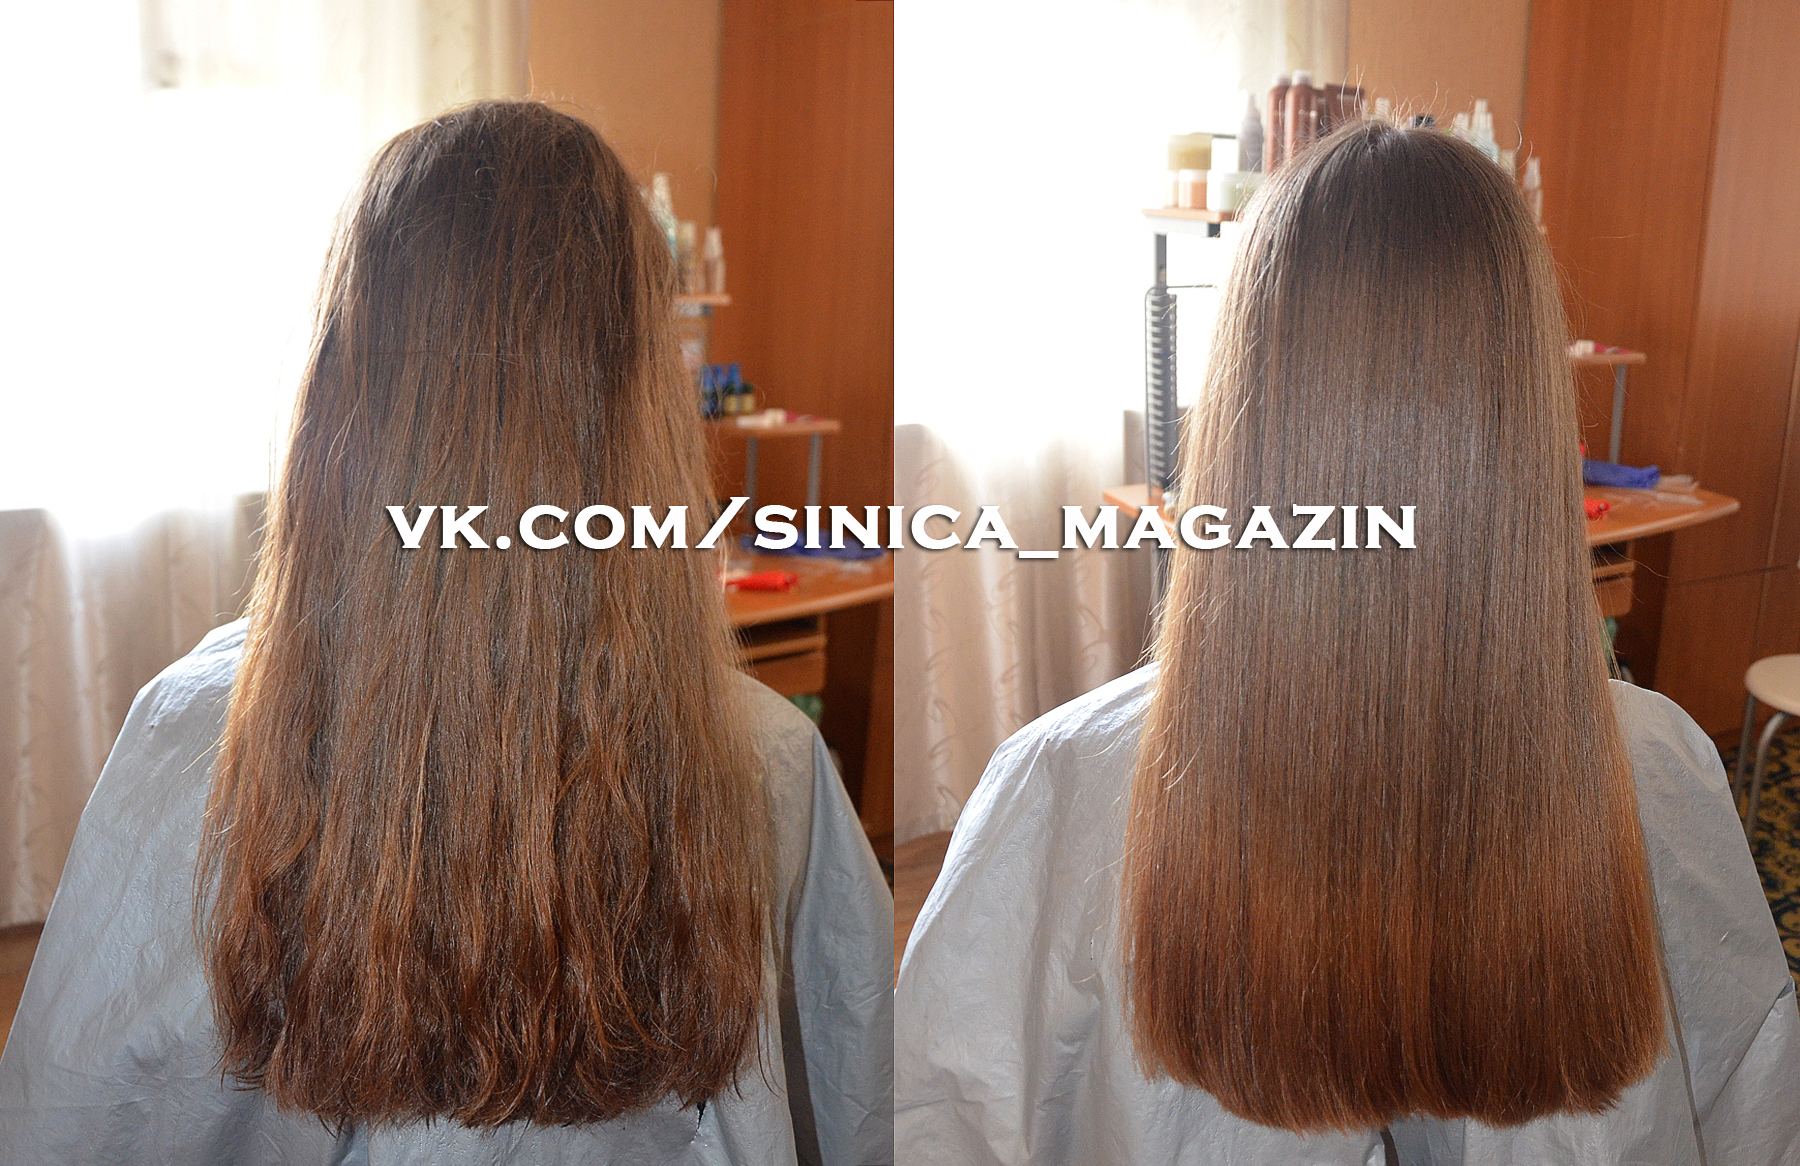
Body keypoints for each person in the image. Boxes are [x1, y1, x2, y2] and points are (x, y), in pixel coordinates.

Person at [0, 101, 892, 1165]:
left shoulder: (191, 734)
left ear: (344, 385)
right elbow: (856, 1096)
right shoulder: (768, 759)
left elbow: (81, 1113)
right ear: (645, 409)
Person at [896, 121, 1799, 1163]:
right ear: (1529, 412)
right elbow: (1752, 1104)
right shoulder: (1661, 765)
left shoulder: (1061, 785)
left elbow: (950, 1117)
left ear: (1241, 411)